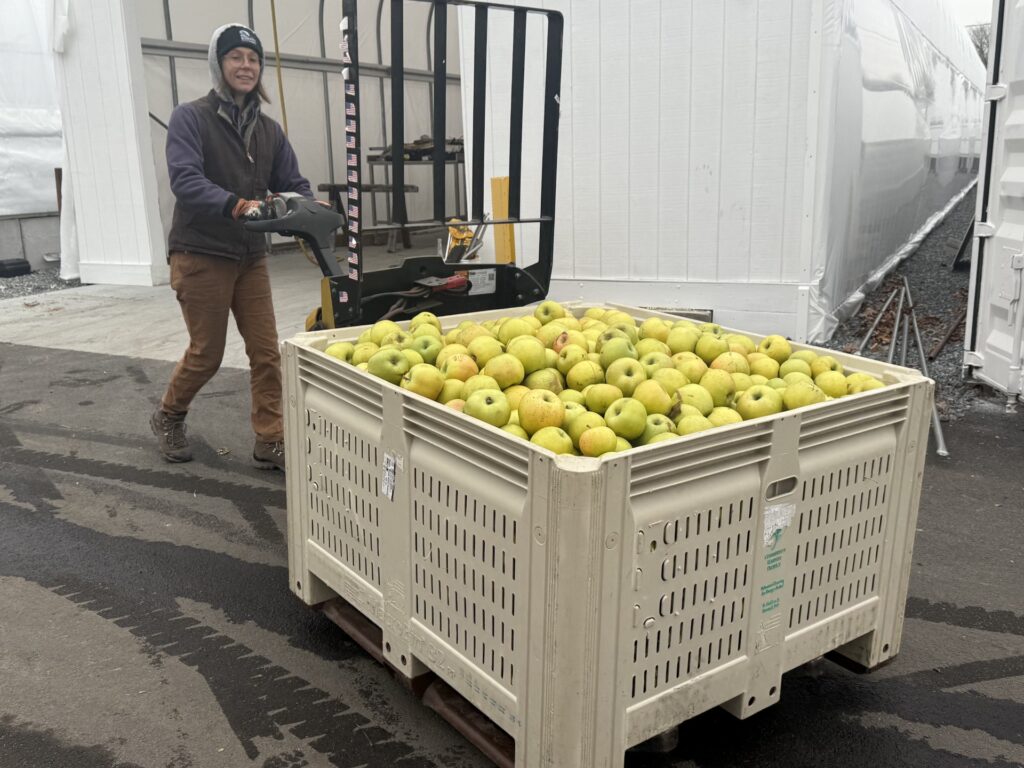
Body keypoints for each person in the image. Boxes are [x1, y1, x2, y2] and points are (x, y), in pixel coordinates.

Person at [150, 23, 313, 471]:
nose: (246, 66)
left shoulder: (269, 129)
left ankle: (270, 438)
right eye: (235, 57)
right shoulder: (191, 117)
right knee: (207, 353)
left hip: (250, 256)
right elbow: (185, 180)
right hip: (200, 252)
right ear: (218, 65)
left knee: (266, 353)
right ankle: (168, 415)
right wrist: (234, 205)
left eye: (253, 58)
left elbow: (292, 182)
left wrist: (308, 204)